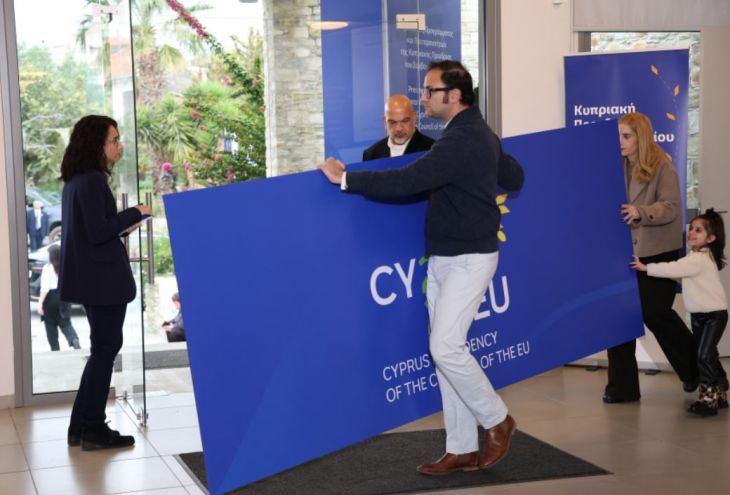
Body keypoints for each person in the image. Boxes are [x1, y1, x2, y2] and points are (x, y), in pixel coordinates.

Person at [319, 60, 524, 475]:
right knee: (447, 355)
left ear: (454, 95)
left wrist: (346, 178)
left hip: (469, 259)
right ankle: (461, 447)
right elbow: (514, 176)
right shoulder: (475, 134)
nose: (423, 97)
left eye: (430, 91)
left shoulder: (463, 139)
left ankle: (498, 419)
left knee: (445, 347)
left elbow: (407, 181)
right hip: (445, 257)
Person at [58, 115, 151, 450]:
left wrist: (122, 224)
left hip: (93, 280)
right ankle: (94, 429)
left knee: (102, 350)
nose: (119, 145)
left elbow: (94, 230)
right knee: (105, 351)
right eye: (114, 139)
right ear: (97, 143)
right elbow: (99, 232)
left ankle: (81, 426)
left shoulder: (77, 181)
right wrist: (136, 212)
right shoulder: (92, 182)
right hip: (103, 282)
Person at [604, 112, 699, 404]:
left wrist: (641, 212)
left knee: (655, 313)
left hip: (658, 253)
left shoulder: (662, 166)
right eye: (618, 136)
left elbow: (671, 207)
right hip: (623, 252)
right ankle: (622, 388)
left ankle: (697, 370)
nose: (620, 142)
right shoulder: (613, 165)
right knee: (618, 318)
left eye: (626, 136)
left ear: (641, 138)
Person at [631, 209, 728, 415]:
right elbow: (680, 273)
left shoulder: (698, 259)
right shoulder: (696, 257)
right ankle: (720, 389)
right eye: (691, 228)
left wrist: (646, 267)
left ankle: (708, 399)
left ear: (711, 238)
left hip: (713, 316)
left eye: (698, 230)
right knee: (708, 354)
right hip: (699, 316)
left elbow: (673, 268)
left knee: (703, 355)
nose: (692, 232)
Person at [362, 94, 435, 161]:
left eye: (405, 121)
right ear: (385, 122)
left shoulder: (432, 150)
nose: (399, 128)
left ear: (414, 118)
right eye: (393, 122)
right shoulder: (371, 155)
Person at [37, 244, 81, 351]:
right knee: (66, 322)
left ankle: (55, 347)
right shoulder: (66, 266)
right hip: (64, 296)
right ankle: (73, 339)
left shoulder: (47, 268)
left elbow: (45, 288)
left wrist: (40, 303)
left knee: (50, 324)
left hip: (50, 299)